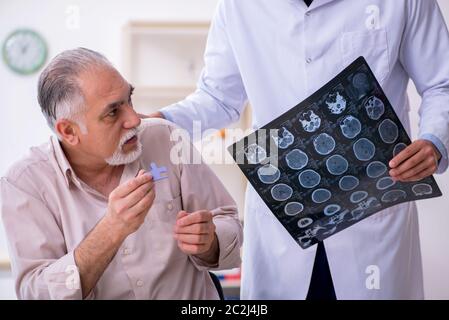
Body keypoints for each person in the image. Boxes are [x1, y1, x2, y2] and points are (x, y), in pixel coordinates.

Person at [152, 0, 449, 299]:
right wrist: (161, 122)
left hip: (372, 218)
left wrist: (434, 141)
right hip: (281, 221)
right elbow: (218, 98)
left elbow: (442, 82)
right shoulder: (237, 6)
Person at [0, 48, 242, 300]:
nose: (135, 119)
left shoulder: (167, 138)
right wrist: (111, 230)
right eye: (113, 112)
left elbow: (229, 221)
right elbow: (35, 293)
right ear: (69, 131)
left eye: (129, 99)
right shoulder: (23, 184)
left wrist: (210, 243)